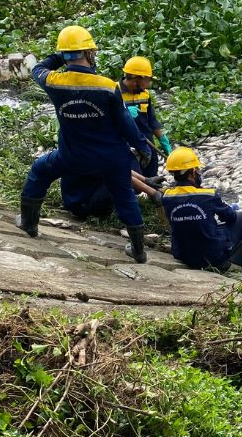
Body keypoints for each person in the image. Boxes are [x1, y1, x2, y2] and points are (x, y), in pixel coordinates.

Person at [16, 25, 153, 263]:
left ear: (65, 55)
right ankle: (138, 250)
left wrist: (59, 56)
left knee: (40, 171)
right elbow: (126, 126)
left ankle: (29, 223)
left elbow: (37, 68)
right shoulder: (107, 86)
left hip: (72, 156)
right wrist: (143, 147)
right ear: (90, 53)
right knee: (124, 197)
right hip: (111, 159)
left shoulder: (54, 81)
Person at [161, 147, 242, 270]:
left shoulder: (167, 196)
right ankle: (241, 261)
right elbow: (230, 217)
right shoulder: (208, 195)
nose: (199, 172)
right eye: (197, 169)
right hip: (212, 257)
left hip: (182, 255)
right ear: (193, 172)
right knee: (241, 217)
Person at [119, 56, 172, 177]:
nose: (148, 84)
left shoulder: (145, 94)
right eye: (148, 79)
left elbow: (152, 120)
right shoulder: (114, 91)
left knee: (152, 173)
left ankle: (152, 194)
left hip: (147, 141)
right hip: (126, 142)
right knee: (134, 175)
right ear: (137, 79)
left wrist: (164, 142)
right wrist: (124, 111)